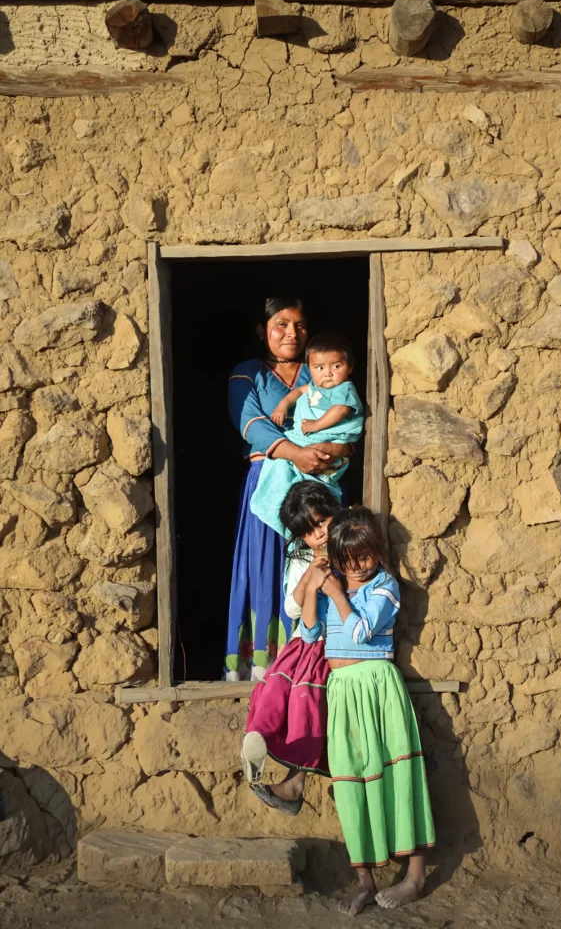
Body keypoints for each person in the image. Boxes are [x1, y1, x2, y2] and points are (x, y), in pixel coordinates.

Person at [300, 507, 435, 915]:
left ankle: (415, 875)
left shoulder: (385, 588)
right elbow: (308, 632)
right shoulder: (336, 583)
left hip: (377, 688)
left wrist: (337, 593)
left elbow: (360, 632)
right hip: (342, 692)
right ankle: (365, 880)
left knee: (398, 774)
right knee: (351, 781)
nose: (357, 566)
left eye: (365, 556)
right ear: (336, 557)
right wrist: (313, 582)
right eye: (347, 559)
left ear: (378, 552)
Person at [224, 298, 351, 682]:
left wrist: (341, 447)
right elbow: (249, 420)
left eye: (299, 325)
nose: (291, 333)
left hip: (319, 481)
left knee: (316, 559)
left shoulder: (322, 374)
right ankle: (263, 662)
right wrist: (296, 454)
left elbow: (350, 414)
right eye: (281, 324)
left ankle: (312, 657)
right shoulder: (248, 374)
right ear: (262, 331)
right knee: (266, 562)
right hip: (269, 481)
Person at [241, 481, 341, 815]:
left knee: (305, 697)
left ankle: (296, 781)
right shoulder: (300, 558)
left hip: (334, 639)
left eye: (322, 523)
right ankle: (259, 737)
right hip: (304, 640)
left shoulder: (352, 545)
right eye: (310, 532)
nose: (320, 535)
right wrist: (309, 577)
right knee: (273, 685)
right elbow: (291, 609)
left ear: (334, 514)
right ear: (301, 537)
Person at [249, 332, 364, 537]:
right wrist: (284, 405)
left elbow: (341, 411)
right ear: (309, 369)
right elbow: (301, 392)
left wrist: (316, 425)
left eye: (336, 366)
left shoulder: (344, 389)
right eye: (320, 368)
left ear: (350, 367)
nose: (328, 373)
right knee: (282, 472)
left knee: (313, 498)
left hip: (324, 441)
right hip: (299, 445)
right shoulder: (313, 386)